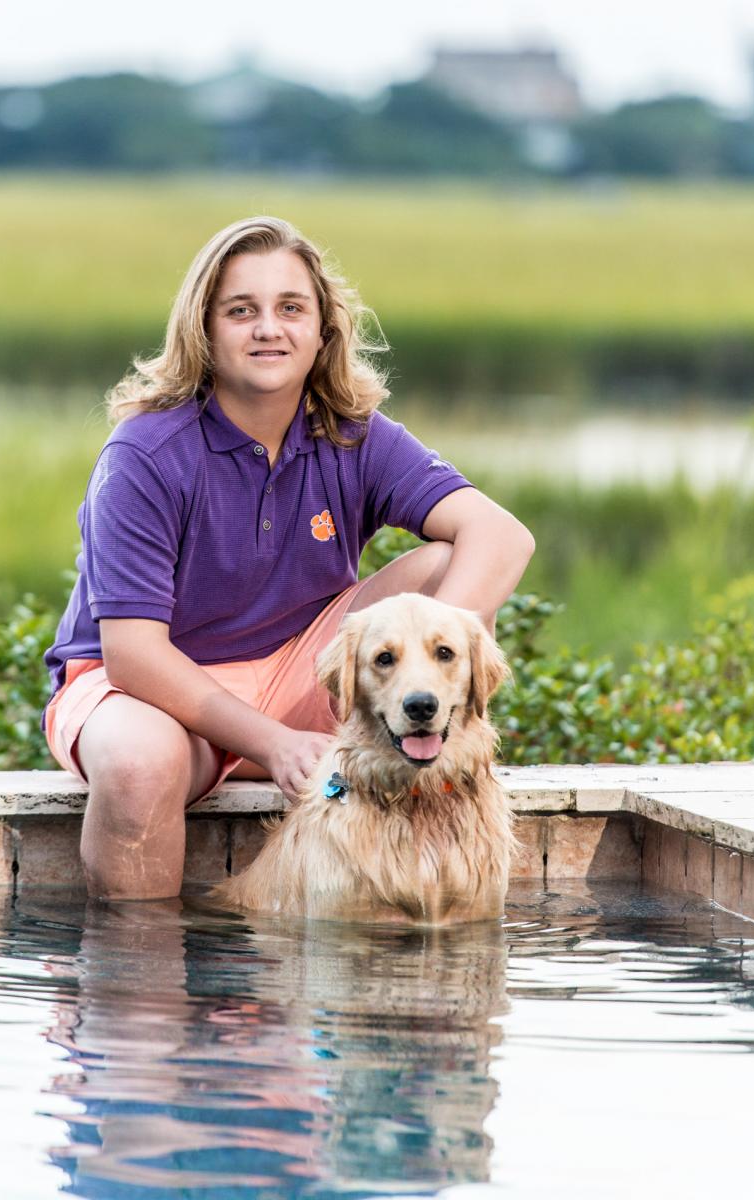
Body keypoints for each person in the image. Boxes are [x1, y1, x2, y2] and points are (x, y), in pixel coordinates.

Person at [42, 216, 535, 901]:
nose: (268, 328)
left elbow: (504, 537)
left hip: (303, 674)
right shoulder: (145, 456)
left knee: (437, 569)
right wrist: (272, 743)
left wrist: (429, 677)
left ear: (323, 331)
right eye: (241, 311)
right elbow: (133, 655)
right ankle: (137, 983)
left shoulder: (353, 434)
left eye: (291, 308)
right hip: (147, 694)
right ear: (204, 331)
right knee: (137, 765)